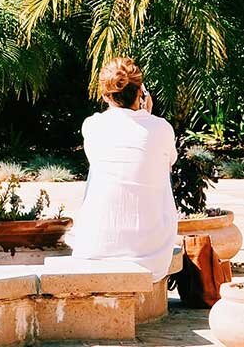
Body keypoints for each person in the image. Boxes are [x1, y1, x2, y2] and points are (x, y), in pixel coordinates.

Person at [67, 57, 179, 268]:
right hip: (150, 253)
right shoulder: (162, 128)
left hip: (94, 248)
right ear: (140, 93)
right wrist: (147, 114)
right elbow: (168, 163)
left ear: (104, 95)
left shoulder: (92, 126)